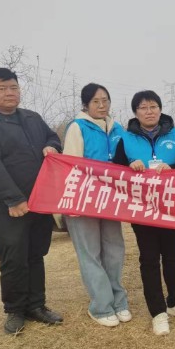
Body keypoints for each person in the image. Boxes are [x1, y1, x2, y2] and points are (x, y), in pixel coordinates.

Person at [0, 68, 63, 334]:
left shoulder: (31, 118)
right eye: (2, 88)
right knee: (13, 257)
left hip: (38, 200)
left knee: (36, 253)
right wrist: (13, 199)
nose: (9, 93)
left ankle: (36, 305)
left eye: (13, 87)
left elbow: (52, 137)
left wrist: (52, 146)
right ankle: (14, 310)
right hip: (6, 207)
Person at [113, 90, 175, 335]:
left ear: (160, 109)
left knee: (172, 255)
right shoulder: (125, 138)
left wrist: (173, 168)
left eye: (153, 106)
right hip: (142, 208)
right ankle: (158, 312)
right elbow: (115, 171)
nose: (149, 112)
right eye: (143, 108)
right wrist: (130, 166)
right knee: (149, 259)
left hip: (170, 206)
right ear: (135, 112)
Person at [63, 83, 131, 327]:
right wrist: (72, 202)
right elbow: (70, 166)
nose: (102, 106)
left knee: (114, 250)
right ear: (85, 105)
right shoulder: (78, 127)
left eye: (105, 100)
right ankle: (101, 307)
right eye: (96, 101)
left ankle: (119, 301)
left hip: (111, 200)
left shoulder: (118, 128)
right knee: (90, 253)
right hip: (84, 200)